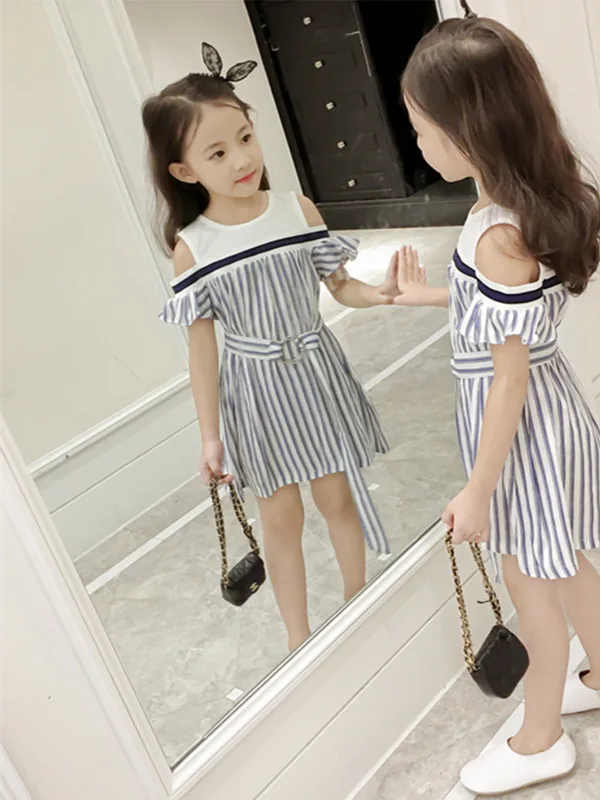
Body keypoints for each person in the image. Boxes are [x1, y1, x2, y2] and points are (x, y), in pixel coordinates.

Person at [395, 17, 600, 795]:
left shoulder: (498, 232)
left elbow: (508, 378)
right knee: (561, 562)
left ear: (467, 128)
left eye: (423, 129)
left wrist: (479, 488)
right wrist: (427, 295)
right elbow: (505, 312)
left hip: (523, 433)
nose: (418, 145)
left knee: (530, 584)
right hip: (543, 415)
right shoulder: (505, 211)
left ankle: (540, 740)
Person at [142, 48, 400, 652]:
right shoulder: (194, 247)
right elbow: (202, 352)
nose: (242, 160)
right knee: (281, 519)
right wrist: (210, 437)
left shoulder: (295, 210)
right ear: (183, 171)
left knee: (337, 498)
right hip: (255, 391)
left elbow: (340, 286)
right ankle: (298, 640)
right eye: (217, 153)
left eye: (245, 138)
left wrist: (380, 293)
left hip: (316, 373)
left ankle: (358, 603)